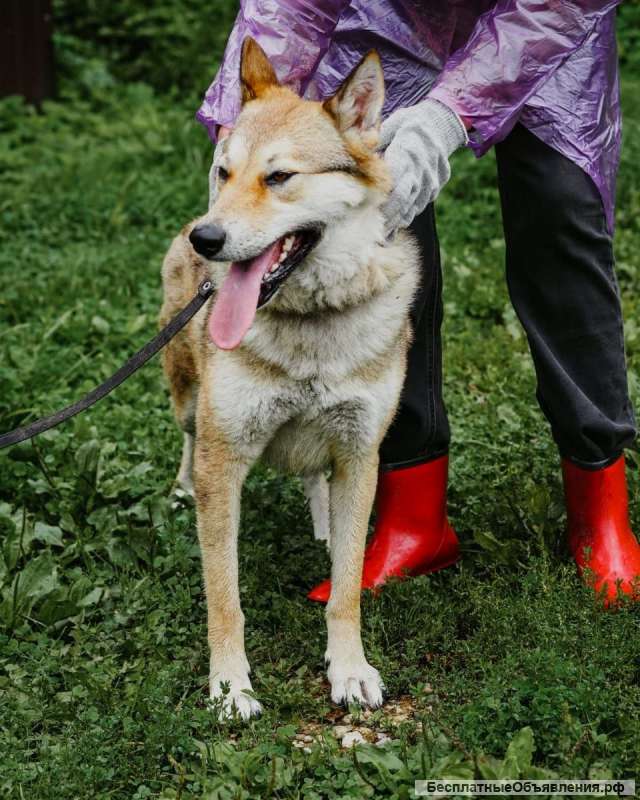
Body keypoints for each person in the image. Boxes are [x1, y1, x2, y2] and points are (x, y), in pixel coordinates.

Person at [197, 0, 640, 604]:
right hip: (387, 17)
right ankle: (413, 516)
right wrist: (240, 137)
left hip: (545, 23)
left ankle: (600, 508)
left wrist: (446, 117)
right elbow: (288, 8)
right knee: (375, 226)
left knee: (562, 219)